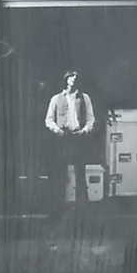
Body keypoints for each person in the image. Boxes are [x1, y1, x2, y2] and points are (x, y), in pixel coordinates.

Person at [45, 70, 95, 211]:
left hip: (78, 138)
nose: (74, 79)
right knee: (60, 173)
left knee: (80, 173)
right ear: (66, 79)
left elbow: (91, 118)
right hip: (63, 139)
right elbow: (48, 119)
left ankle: (82, 207)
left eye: (76, 77)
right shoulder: (56, 99)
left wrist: (84, 130)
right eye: (71, 76)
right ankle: (58, 206)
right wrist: (57, 131)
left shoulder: (84, 98)